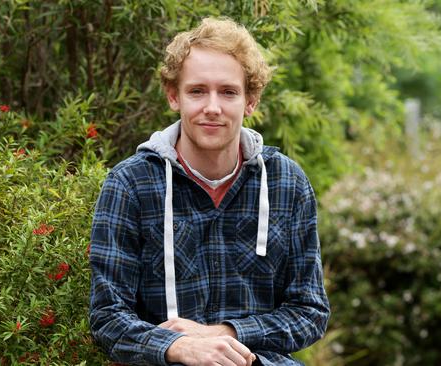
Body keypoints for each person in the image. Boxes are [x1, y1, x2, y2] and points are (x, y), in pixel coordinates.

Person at [89, 17, 330, 366]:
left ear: (251, 101)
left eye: (228, 92)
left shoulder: (286, 183)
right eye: (197, 90)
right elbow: (108, 316)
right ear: (174, 96)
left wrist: (225, 334)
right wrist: (179, 347)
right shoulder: (130, 185)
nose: (212, 107)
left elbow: (309, 312)